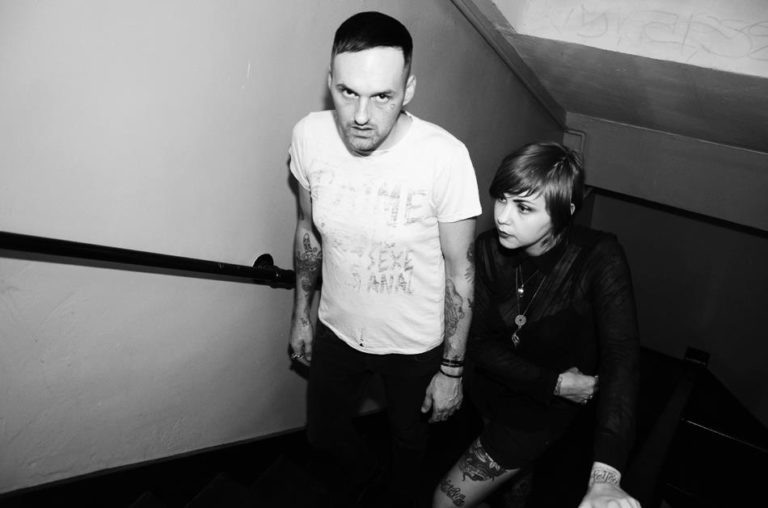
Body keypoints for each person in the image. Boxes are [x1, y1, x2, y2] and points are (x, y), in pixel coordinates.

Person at [287, 11, 481, 507]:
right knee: (322, 434)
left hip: (414, 346)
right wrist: (302, 316)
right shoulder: (309, 136)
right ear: (330, 81)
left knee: (409, 448)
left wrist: (452, 371)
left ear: (408, 90)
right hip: (337, 328)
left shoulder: (444, 157)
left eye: (382, 97)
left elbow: (460, 271)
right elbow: (308, 231)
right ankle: (362, 479)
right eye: (347, 92)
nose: (360, 115)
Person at [433, 142, 641, 508]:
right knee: (514, 481)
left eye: (524, 207)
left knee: (445, 501)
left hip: (534, 417)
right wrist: (556, 382)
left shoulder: (599, 257)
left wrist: (606, 475)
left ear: (564, 212)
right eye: (502, 199)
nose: (502, 217)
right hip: (490, 392)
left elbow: (622, 357)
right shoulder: (488, 248)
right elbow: (478, 342)